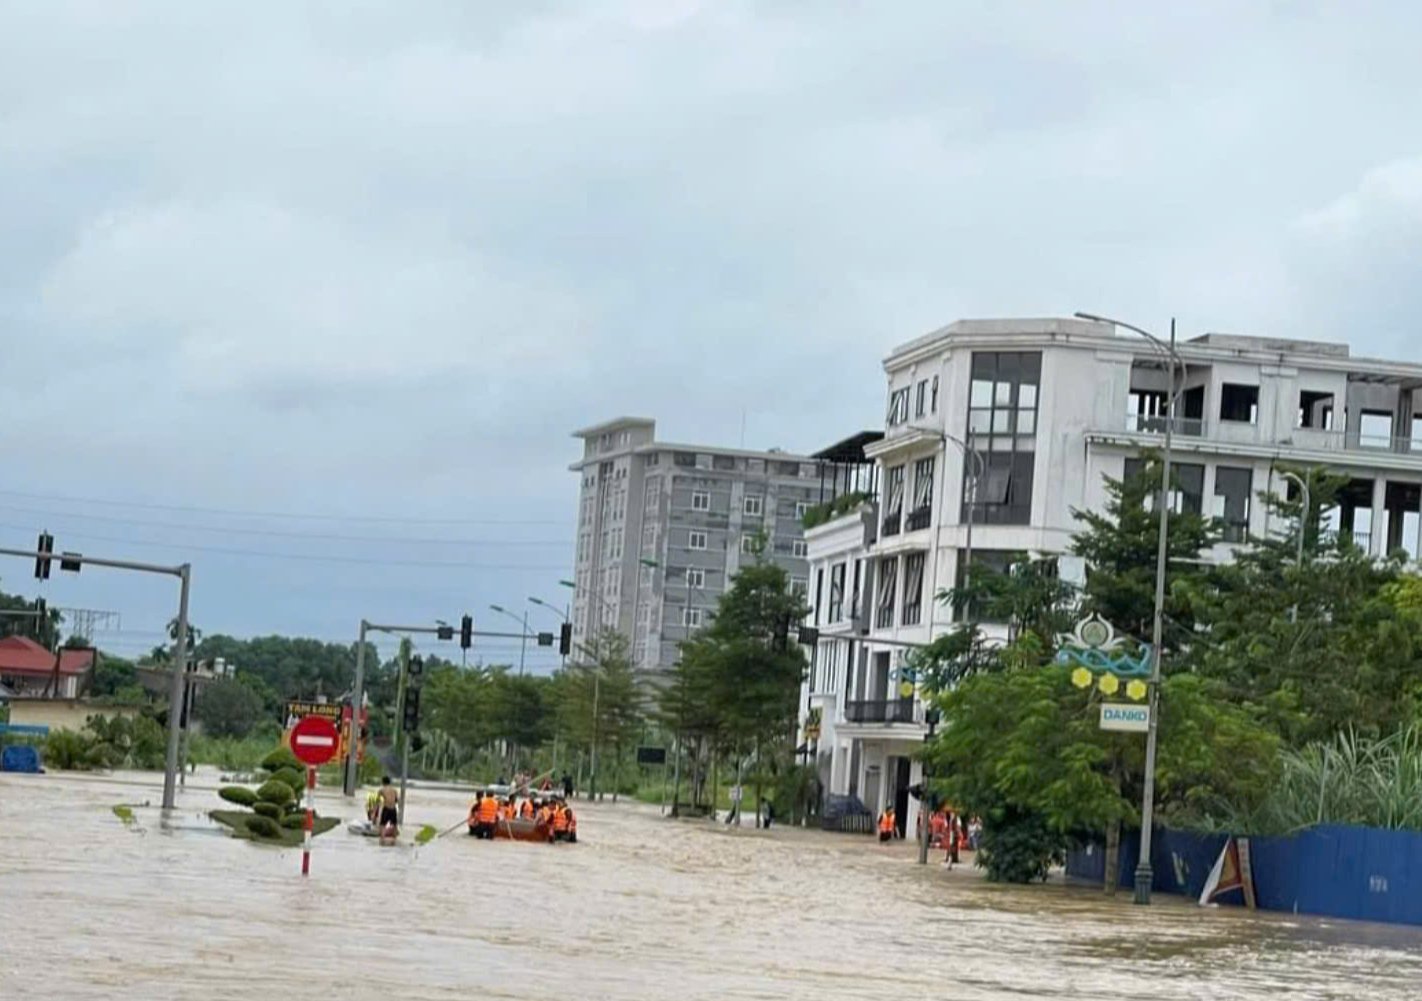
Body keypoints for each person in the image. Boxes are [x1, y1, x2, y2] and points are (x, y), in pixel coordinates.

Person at [376, 776, 399, 841]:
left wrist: (375, 812)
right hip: (393, 809)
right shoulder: (394, 790)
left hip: (386, 808)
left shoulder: (381, 790)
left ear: (383, 782)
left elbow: (377, 801)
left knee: (382, 825)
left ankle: (382, 840)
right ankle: (394, 839)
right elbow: (396, 800)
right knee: (394, 825)